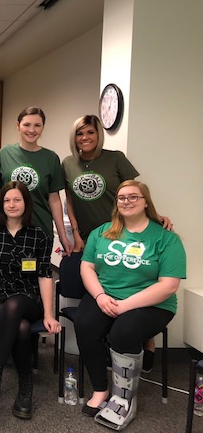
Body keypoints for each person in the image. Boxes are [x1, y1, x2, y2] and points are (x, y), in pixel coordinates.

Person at [62, 114, 172, 371]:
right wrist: (76, 233)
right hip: (93, 237)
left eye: (90, 132)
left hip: (126, 231)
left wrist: (155, 216)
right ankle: (107, 343)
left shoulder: (115, 158)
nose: (85, 138)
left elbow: (135, 191)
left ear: (99, 134)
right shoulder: (68, 163)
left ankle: (145, 339)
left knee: (134, 276)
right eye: (80, 133)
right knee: (101, 285)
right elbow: (69, 200)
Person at [74, 180, 185, 430]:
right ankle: (101, 390)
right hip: (106, 295)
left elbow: (168, 285)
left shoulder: (166, 239)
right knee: (84, 325)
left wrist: (124, 306)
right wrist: (101, 297)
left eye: (134, 197)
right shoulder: (101, 232)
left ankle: (124, 399)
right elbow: (87, 267)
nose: (127, 201)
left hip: (151, 303)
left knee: (123, 333)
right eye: (122, 198)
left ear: (146, 202)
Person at [0, 181, 59, 419]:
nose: (11, 204)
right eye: (6, 200)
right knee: (21, 327)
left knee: (16, 304)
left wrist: (49, 314)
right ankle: (24, 387)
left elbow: (45, 274)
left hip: (28, 296)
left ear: (26, 203)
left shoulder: (38, 235)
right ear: (0, 204)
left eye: (17, 200)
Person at [0, 106, 72, 254]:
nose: (32, 130)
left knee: (39, 274)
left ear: (43, 127)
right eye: (26, 124)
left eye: (37, 125)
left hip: (40, 227)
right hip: (8, 229)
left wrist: (62, 236)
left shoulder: (50, 158)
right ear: (18, 126)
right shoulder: (5, 154)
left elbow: (54, 199)